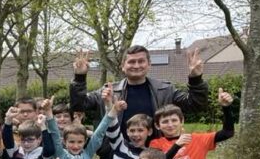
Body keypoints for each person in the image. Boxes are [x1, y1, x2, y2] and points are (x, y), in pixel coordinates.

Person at [69, 45, 209, 139]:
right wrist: (80, 78)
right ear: (123, 66)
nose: (136, 66)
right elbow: (79, 106)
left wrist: (196, 79)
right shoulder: (109, 90)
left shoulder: (165, 90)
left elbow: (196, 105)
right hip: (119, 157)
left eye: (141, 61)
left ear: (149, 64)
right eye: (131, 62)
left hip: (156, 158)